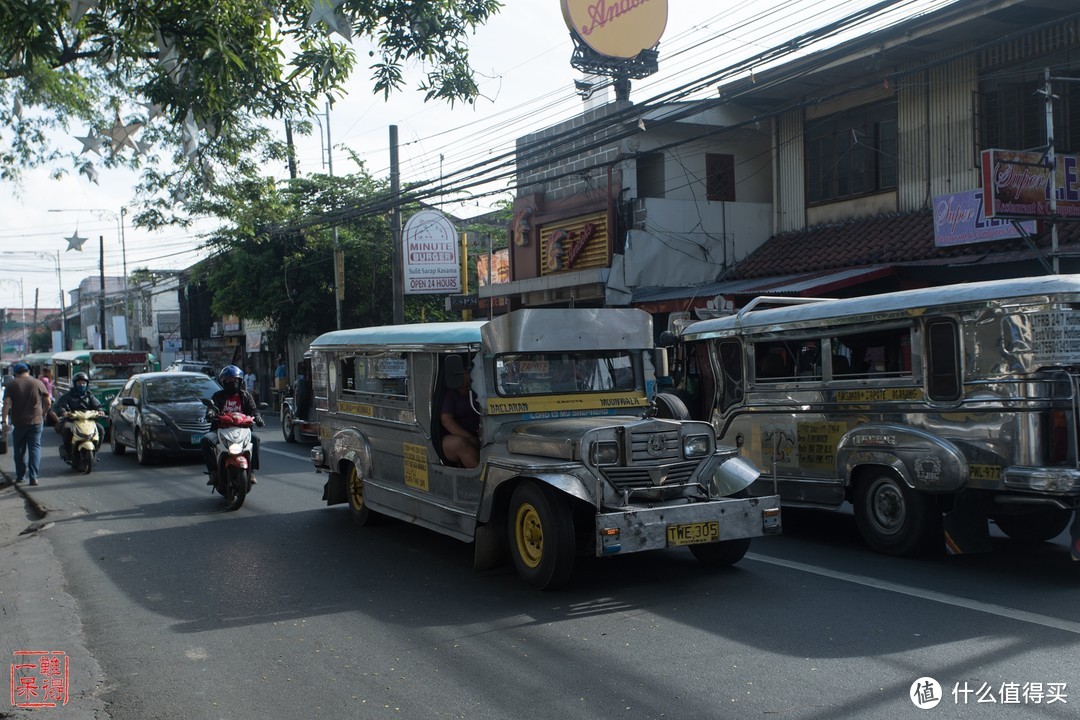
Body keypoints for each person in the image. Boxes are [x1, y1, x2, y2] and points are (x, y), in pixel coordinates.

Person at [202, 365, 264, 485]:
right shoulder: (218, 396)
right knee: (206, 440)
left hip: (242, 430)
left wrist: (258, 417)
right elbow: (211, 408)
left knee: (255, 439)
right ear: (224, 382)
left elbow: (254, 410)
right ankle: (213, 472)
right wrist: (210, 413)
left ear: (240, 381)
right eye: (229, 381)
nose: (232, 383)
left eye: (235, 380)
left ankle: (251, 472)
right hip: (221, 430)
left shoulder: (245, 396)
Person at [1, 363, 51, 485]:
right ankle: (33, 477)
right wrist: (44, 413)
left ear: (16, 372)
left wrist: (3, 421)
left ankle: (20, 476)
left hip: (19, 422)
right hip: (36, 421)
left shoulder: (11, 385)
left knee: (19, 450)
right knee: (34, 448)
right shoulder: (37, 383)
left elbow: (6, 404)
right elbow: (48, 402)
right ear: (28, 371)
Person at [49, 372, 103, 462]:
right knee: (67, 430)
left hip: (88, 420)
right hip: (72, 420)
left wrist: (100, 411)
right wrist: (63, 412)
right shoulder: (68, 396)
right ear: (74, 384)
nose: (82, 385)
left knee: (101, 429)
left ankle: (95, 451)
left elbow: (97, 405)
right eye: (79, 383)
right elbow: (60, 406)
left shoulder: (89, 395)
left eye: (84, 383)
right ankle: (68, 452)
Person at [440, 359, 480, 468]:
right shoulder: (450, 395)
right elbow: (447, 421)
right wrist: (470, 438)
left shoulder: (477, 392)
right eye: (468, 371)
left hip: (478, 434)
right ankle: (480, 479)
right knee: (460, 444)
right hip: (451, 438)